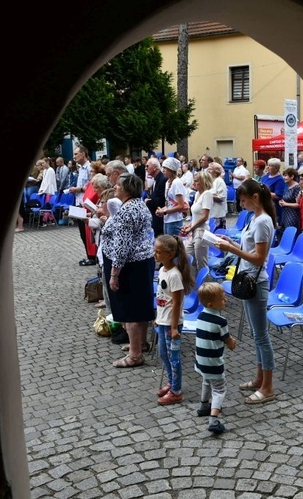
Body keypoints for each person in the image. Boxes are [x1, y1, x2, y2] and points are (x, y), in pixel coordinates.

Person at [214, 179, 277, 404]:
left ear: (255, 198)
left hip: (256, 282)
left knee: (261, 336)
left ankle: (268, 386)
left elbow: (260, 258)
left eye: (242, 200)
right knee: (256, 334)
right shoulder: (254, 219)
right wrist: (231, 242)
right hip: (250, 277)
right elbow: (250, 249)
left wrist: (231, 249)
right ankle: (260, 378)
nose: (241, 205)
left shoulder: (262, 221)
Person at [104, 174, 156, 369]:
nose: (115, 187)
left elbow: (122, 245)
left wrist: (114, 273)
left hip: (130, 265)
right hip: (142, 261)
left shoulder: (127, 211)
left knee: (130, 309)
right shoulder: (140, 205)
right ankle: (140, 344)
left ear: (127, 189)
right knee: (140, 306)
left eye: (118, 185)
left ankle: (135, 355)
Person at [153, 234, 195, 405]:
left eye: (158, 252)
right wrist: (158, 317)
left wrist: (174, 327)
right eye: (155, 251)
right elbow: (162, 297)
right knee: (163, 353)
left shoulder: (174, 275)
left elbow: (177, 302)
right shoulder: (163, 270)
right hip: (163, 321)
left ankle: (176, 391)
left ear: (170, 254)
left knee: (174, 357)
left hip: (172, 323)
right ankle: (171, 382)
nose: (155, 254)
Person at [194, 281, 237, 433]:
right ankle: (213, 420)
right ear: (212, 304)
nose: (225, 300)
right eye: (222, 298)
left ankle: (203, 406)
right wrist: (232, 344)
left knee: (206, 381)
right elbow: (228, 341)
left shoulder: (200, 316)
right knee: (219, 389)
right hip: (214, 362)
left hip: (201, 361)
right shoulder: (221, 321)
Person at [181, 170, 213, 272]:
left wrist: (191, 228)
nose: (193, 183)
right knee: (187, 256)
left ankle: (206, 286)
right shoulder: (197, 194)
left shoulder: (207, 194)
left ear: (203, 182)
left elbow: (204, 217)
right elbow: (196, 216)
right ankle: (195, 282)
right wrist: (189, 226)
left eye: (196, 181)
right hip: (195, 230)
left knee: (201, 263)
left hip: (201, 232)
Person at [71, 146, 96, 265]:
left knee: (87, 231)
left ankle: (92, 256)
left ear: (83, 154)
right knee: (82, 231)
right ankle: (89, 255)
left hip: (86, 203)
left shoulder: (89, 167)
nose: (74, 156)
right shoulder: (80, 168)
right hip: (79, 202)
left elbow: (92, 186)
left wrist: (78, 189)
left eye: (76, 154)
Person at [156, 157, 189, 236]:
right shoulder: (167, 182)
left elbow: (180, 205)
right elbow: (169, 203)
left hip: (174, 220)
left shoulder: (176, 183)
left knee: (172, 246)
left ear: (171, 169)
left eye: (165, 168)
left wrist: (164, 212)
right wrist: (162, 209)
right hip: (167, 219)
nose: (162, 170)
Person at [277, 167, 301, 240]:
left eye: (286, 175)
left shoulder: (297, 187)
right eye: (283, 175)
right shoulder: (287, 186)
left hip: (293, 215)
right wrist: (281, 202)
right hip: (285, 213)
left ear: (292, 176)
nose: (284, 177)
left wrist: (285, 204)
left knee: (290, 235)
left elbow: (299, 204)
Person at [145, 157, 166, 236]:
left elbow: (160, 201)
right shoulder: (156, 179)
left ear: (155, 167)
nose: (146, 168)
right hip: (155, 216)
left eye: (148, 166)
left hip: (160, 217)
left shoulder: (162, 179)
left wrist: (148, 201)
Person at [261, 157, 285, 221]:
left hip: (273, 207)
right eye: (268, 165)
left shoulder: (280, 179)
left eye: (270, 166)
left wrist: (264, 191)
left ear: (276, 169)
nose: (268, 167)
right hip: (263, 205)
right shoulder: (266, 176)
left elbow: (278, 196)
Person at [208, 162, 228, 230]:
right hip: (212, 214)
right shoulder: (211, 181)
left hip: (218, 215)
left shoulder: (220, 181)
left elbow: (221, 198)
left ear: (216, 172)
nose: (208, 170)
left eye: (210, 169)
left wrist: (208, 195)